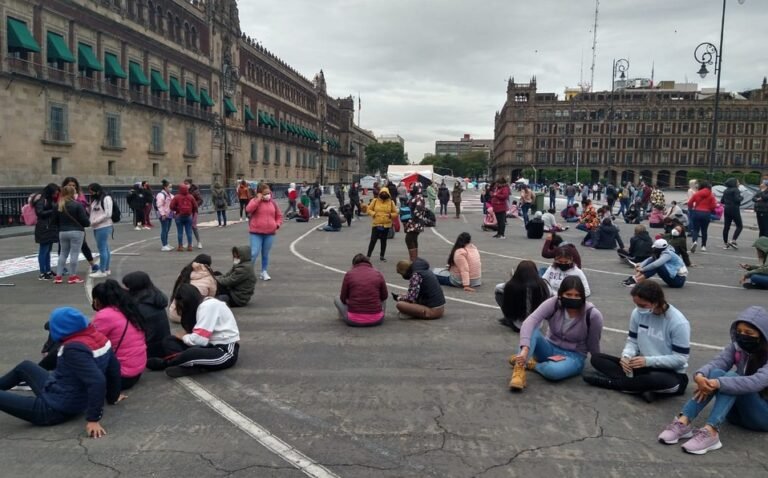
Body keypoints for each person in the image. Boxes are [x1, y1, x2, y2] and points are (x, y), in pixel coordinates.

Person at [656, 306, 768, 455]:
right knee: (715, 373)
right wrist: (701, 376)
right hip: (735, 415)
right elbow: (717, 363)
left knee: (730, 378)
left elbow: (758, 381)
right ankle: (683, 422)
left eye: (749, 333)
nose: (743, 336)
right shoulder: (737, 347)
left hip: (762, 416)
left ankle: (712, 432)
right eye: (739, 332)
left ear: (762, 335)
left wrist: (719, 383)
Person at [0, 307, 121, 435]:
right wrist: (113, 397)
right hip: (60, 392)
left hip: (54, 409)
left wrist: (93, 419)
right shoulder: (100, 338)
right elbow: (114, 369)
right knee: (25, 367)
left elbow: (97, 381)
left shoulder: (73, 349)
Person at [585, 281, 690, 402]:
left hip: (670, 373)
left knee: (651, 380)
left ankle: (610, 383)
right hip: (641, 367)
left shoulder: (678, 322)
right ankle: (640, 388)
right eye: (636, 304)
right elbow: (633, 340)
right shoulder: (637, 313)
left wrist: (648, 361)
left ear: (656, 302)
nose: (639, 308)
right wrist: (626, 356)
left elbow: (680, 359)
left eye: (643, 305)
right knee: (597, 358)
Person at [509, 276, 603, 390]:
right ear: (560, 295)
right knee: (533, 329)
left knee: (553, 371)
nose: (573, 298)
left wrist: (600, 363)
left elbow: (594, 342)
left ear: (583, 297)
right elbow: (530, 321)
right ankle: (519, 369)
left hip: (574, 356)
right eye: (568, 295)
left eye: (577, 295)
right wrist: (525, 348)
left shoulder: (593, 315)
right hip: (549, 348)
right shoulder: (553, 303)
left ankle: (533, 364)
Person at [147, 285, 240, 378]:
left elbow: (199, 340)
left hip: (224, 351)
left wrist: (183, 337)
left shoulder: (208, 306)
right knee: (169, 340)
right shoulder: (200, 306)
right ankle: (194, 365)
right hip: (207, 346)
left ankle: (167, 363)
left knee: (191, 353)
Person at [91, 280, 147, 390]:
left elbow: (91, 341)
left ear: (98, 299)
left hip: (120, 376)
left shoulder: (105, 315)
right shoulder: (129, 309)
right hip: (136, 370)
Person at [121, 271, 171, 359]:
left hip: (148, 350)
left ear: (134, 288)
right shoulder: (156, 297)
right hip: (164, 345)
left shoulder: (139, 307)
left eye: (127, 286)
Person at [495, 260, 550, 332]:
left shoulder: (512, 285)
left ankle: (511, 318)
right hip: (537, 325)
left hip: (518, 326)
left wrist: (511, 281)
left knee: (499, 294)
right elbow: (550, 294)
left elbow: (497, 288)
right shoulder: (543, 285)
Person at [335, 254, 388, 327]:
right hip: (377, 320)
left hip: (353, 320)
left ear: (353, 264)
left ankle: (344, 316)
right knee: (383, 299)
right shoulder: (378, 274)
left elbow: (343, 298)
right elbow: (384, 296)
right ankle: (379, 314)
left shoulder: (349, 274)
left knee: (337, 298)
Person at [246, 183, 283, 281]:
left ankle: (264, 271)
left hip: (270, 233)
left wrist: (277, 224)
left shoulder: (273, 203)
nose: (268, 194)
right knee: (254, 253)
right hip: (256, 232)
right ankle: (248, 273)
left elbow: (279, 215)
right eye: (265, 193)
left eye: (269, 192)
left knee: (265, 254)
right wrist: (258, 199)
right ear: (260, 193)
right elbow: (248, 209)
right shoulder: (254, 201)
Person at [62, 177, 99, 274]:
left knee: (83, 245)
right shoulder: (61, 197)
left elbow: (84, 208)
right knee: (63, 248)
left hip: (78, 225)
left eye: (73, 185)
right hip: (64, 225)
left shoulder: (80, 197)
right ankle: (63, 268)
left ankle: (92, 264)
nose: (72, 187)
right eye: (69, 185)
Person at [54, 185, 90, 284]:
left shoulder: (59, 205)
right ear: (73, 193)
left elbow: (54, 221)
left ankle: (58, 276)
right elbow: (85, 221)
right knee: (74, 254)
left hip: (62, 232)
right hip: (76, 231)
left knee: (63, 254)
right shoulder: (77, 205)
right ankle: (72, 276)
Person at [169, 254, 218, 323]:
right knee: (222, 298)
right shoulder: (209, 276)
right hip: (193, 318)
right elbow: (212, 295)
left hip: (174, 314)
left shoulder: (184, 272)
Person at [33, 184, 60, 280]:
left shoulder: (50, 199)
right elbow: (39, 213)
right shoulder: (41, 200)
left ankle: (48, 270)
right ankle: (42, 272)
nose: (56, 193)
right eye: (55, 191)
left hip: (50, 227)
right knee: (43, 250)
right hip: (44, 227)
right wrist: (53, 210)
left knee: (48, 251)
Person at [87, 183, 113, 278]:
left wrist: (95, 221)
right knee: (105, 248)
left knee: (102, 248)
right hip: (97, 226)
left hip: (103, 226)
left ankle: (102, 270)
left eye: (92, 191)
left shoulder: (106, 198)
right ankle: (106, 268)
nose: (91, 193)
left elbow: (108, 214)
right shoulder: (96, 200)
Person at [366, 188, 398, 262]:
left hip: (386, 225)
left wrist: (390, 215)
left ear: (388, 194)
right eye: (382, 193)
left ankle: (382, 256)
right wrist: (374, 214)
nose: (384, 194)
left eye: (385, 193)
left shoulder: (391, 202)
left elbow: (395, 213)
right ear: (380, 193)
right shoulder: (375, 201)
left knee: (383, 241)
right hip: (376, 224)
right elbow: (368, 209)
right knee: (373, 240)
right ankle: (368, 256)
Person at [688, 181, 717, 253]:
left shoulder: (697, 193)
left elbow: (690, 202)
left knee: (695, 229)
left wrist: (691, 208)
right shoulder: (711, 195)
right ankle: (703, 246)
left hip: (697, 212)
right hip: (706, 213)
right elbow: (714, 205)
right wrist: (709, 209)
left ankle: (694, 242)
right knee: (704, 230)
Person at [169, 183, 198, 251]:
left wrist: (177, 210)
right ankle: (190, 246)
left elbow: (171, 206)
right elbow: (195, 206)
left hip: (179, 216)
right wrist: (192, 212)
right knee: (189, 232)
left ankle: (180, 246)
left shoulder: (176, 197)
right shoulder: (190, 196)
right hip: (188, 216)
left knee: (180, 232)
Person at [404, 184, 427, 261]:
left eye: (412, 188)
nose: (410, 189)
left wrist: (411, 218)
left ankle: (413, 259)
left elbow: (418, 209)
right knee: (413, 238)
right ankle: (414, 258)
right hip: (414, 221)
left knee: (409, 239)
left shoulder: (418, 197)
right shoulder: (414, 196)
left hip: (415, 221)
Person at [721, 178, 743, 250]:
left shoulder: (726, 190)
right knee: (739, 225)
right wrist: (741, 197)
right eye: (738, 182)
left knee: (726, 226)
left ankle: (725, 243)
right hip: (734, 209)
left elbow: (722, 201)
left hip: (727, 208)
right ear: (734, 183)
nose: (739, 183)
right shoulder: (736, 190)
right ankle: (733, 240)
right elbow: (737, 199)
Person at [155, 180, 174, 251]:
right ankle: (164, 245)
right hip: (164, 215)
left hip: (169, 214)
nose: (171, 188)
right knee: (164, 229)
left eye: (171, 187)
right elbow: (159, 205)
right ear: (165, 187)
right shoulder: (160, 195)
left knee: (167, 230)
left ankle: (166, 243)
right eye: (169, 187)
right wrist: (163, 214)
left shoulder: (170, 195)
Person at [185, 179, 204, 249]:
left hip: (194, 211)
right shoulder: (184, 191)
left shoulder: (195, 191)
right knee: (188, 226)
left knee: (193, 226)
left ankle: (199, 242)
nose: (185, 185)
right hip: (187, 211)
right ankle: (190, 242)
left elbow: (201, 200)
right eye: (184, 184)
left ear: (190, 184)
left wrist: (194, 205)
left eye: (186, 183)